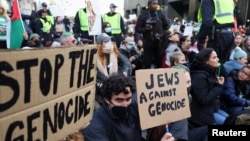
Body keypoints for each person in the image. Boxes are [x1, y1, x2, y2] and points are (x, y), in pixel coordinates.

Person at [81, 74, 175, 141]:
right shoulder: (95, 126)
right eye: (119, 100)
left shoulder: (132, 106)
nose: (125, 104)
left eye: (128, 99)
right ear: (107, 100)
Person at [189, 48, 228, 128]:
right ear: (206, 61)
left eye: (217, 57)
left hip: (212, 108)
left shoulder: (209, 72)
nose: (218, 59)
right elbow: (204, 99)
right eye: (214, 58)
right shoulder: (199, 76)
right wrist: (218, 86)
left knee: (231, 119)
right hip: (201, 114)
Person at [95, 33, 131, 107]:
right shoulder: (95, 55)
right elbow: (96, 72)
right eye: (106, 41)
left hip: (115, 84)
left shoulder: (114, 51)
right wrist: (109, 81)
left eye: (109, 40)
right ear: (100, 44)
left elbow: (126, 63)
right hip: (102, 86)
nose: (109, 43)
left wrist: (124, 72)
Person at [135, 0, 171, 69]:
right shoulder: (143, 15)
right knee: (147, 62)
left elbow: (167, 25)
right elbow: (137, 29)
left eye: (156, 4)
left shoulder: (161, 13)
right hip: (148, 42)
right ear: (149, 5)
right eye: (153, 4)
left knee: (159, 61)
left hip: (159, 42)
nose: (155, 5)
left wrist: (161, 30)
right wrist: (146, 29)